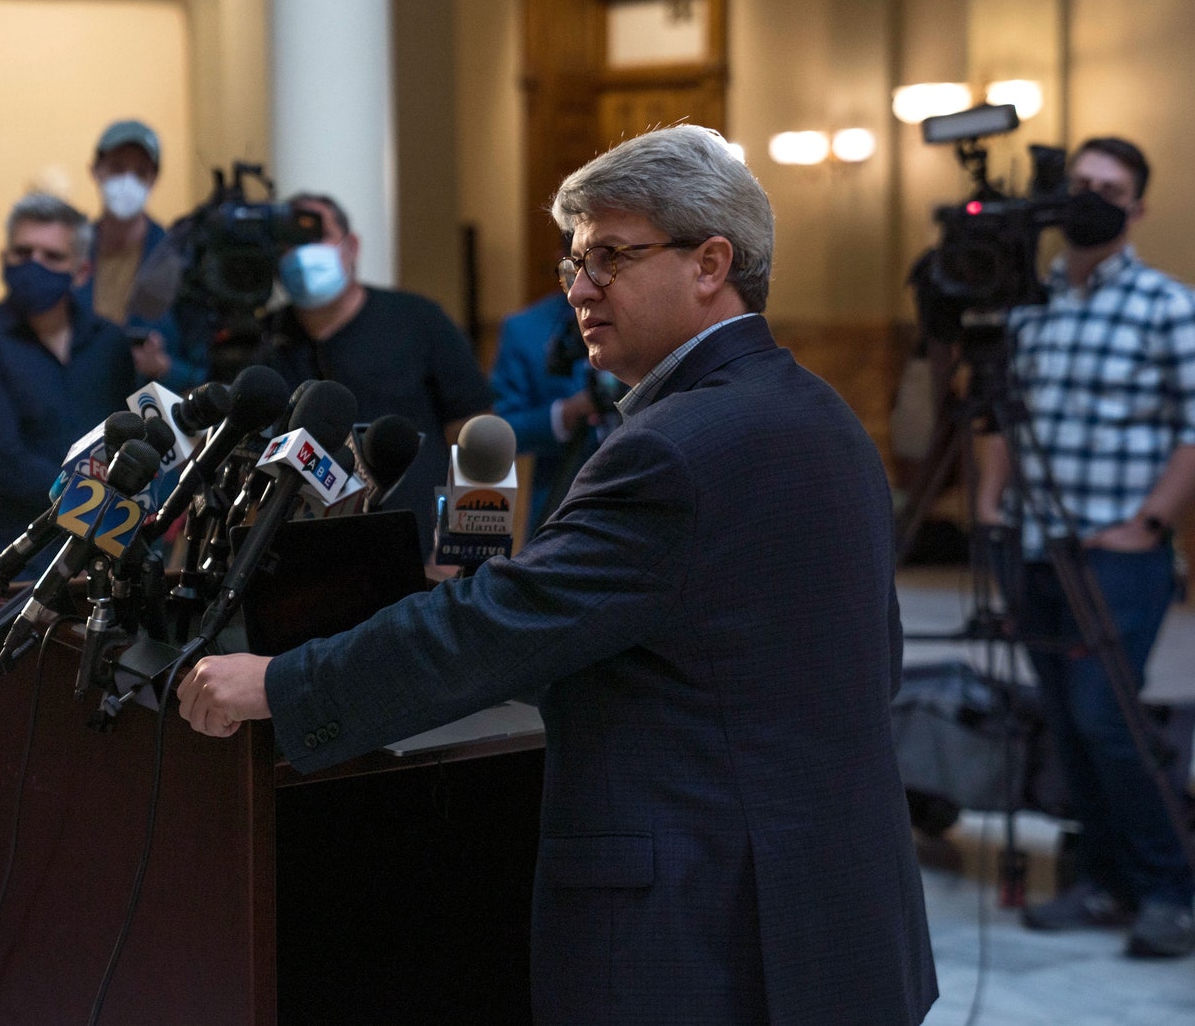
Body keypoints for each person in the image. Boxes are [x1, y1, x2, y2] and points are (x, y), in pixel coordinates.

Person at [181, 125, 938, 1023]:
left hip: (705, 927)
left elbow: (494, 628)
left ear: (710, 263)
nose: (579, 288)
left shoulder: (671, 448)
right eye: (574, 261)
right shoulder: (824, 414)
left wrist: (283, 682)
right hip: (835, 909)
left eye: (611, 257)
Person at [976, 136, 1195, 958]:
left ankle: (1170, 886)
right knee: (1066, 725)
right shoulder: (1031, 307)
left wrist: (1150, 523)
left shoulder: (1168, 306)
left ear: (1136, 208)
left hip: (1118, 549)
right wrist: (991, 501)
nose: (1090, 197)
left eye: (1110, 187)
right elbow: (1005, 416)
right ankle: (1102, 881)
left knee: (1111, 720)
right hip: (1032, 544)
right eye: (1080, 184)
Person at [258, 192, 493, 558]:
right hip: (298, 556)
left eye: (316, 235)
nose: (302, 254)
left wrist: (463, 546)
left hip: (420, 553)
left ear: (351, 246)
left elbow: (476, 433)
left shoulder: (419, 321)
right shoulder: (262, 341)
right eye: (289, 241)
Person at [0, 192, 139, 584]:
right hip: (15, 555)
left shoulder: (111, 345)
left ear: (82, 271)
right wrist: (99, 506)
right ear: (4, 260)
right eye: (22, 252)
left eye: (52, 257)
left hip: (101, 551)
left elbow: (126, 438)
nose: (34, 265)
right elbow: (4, 463)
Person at [73, 118, 190, 390]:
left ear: (154, 178)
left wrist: (164, 368)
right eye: (117, 168)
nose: (128, 180)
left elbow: (203, 368)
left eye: (140, 171)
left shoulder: (178, 258)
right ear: (95, 171)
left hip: (150, 415)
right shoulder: (68, 254)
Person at [489, 290, 610, 530]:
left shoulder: (645, 313)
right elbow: (504, 427)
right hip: (558, 500)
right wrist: (564, 415)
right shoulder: (526, 328)